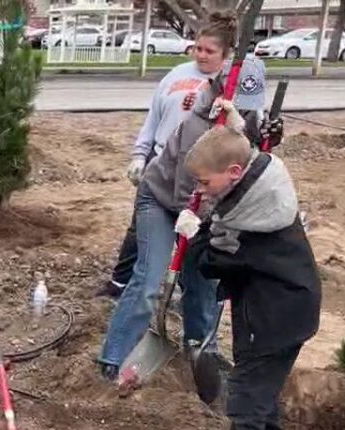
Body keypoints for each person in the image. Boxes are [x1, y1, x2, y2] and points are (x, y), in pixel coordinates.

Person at [97, 56, 278, 382]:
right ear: (222, 90)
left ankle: (200, 353)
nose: (246, 111)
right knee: (150, 280)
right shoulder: (199, 124)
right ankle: (113, 357)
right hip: (163, 199)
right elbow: (189, 185)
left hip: (202, 213)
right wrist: (195, 221)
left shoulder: (246, 120)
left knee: (202, 285)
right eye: (241, 104)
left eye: (250, 106)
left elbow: (250, 172)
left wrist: (267, 141)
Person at [182, 127, 320, 430]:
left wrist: (195, 237)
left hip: (272, 317)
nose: (202, 189)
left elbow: (212, 263)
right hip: (290, 308)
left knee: (247, 391)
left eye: (205, 181)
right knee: (266, 382)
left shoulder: (253, 227)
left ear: (234, 172)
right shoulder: (260, 192)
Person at [95, 12, 241, 300]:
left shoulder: (230, 86)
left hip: (202, 175)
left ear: (226, 54)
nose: (201, 55)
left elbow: (241, 133)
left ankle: (186, 292)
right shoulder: (176, 75)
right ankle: (119, 284)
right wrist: (140, 155)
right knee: (140, 229)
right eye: (198, 48)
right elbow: (154, 118)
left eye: (209, 51)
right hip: (161, 163)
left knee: (191, 235)